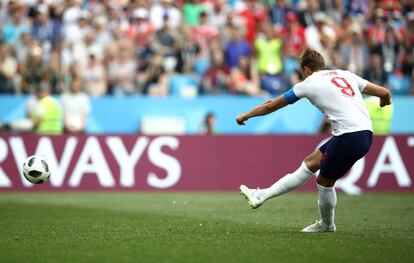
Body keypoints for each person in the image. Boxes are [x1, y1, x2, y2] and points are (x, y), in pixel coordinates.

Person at [236, 48, 391, 232]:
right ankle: (260, 196)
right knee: (309, 164)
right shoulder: (345, 74)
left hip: (350, 135)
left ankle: (327, 225)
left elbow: (272, 105)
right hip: (362, 133)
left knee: (324, 182)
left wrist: (246, 115)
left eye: (302, 72)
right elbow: (385, 93)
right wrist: (384, 102)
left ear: (307, 69)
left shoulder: (309, 82)